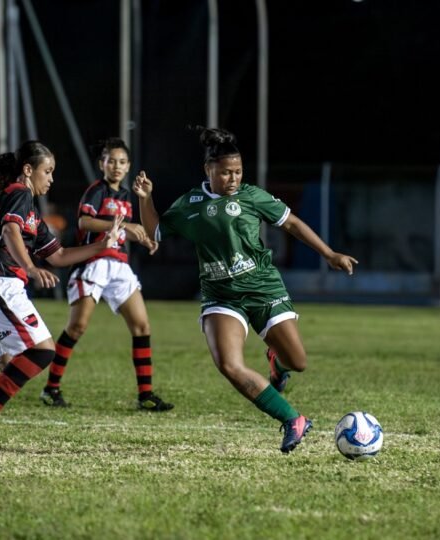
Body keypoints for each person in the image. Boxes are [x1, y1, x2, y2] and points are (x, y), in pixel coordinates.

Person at [132, 127, 357, 453]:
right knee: (229, 364)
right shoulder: (191, 204)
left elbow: (292, 223)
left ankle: (276, 364)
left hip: (263, 287)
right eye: (225, 172)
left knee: (298, 362)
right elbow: (154, 232)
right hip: (220, 296)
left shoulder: (252, 196)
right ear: (208, 170)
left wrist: (329, 254)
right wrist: (146, 199)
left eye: (238, 171)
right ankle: (292, 419)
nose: (233, 178)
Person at [0, 140, 123, 455]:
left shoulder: (32, 216)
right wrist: (29, 266)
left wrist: (104, 245)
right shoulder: (18, 193)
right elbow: (11, 232)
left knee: (13, 364)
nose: (51, 179)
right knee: (43, 351)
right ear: (28, 170)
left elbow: (60, 255)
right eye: (47, 171)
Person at [40, 137, 174, 412]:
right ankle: (51, 388)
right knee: (77, 327)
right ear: (102, 164)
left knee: (142, 326)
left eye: (122, 162)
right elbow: (84, 222)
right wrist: (126, 226)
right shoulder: (97, 191)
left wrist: (145, 239)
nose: (116, 166)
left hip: (119, 266)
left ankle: (145, 395)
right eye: (111, 160)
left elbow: (126, 232)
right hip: (93, 262)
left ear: (129, 167)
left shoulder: (127, 196)